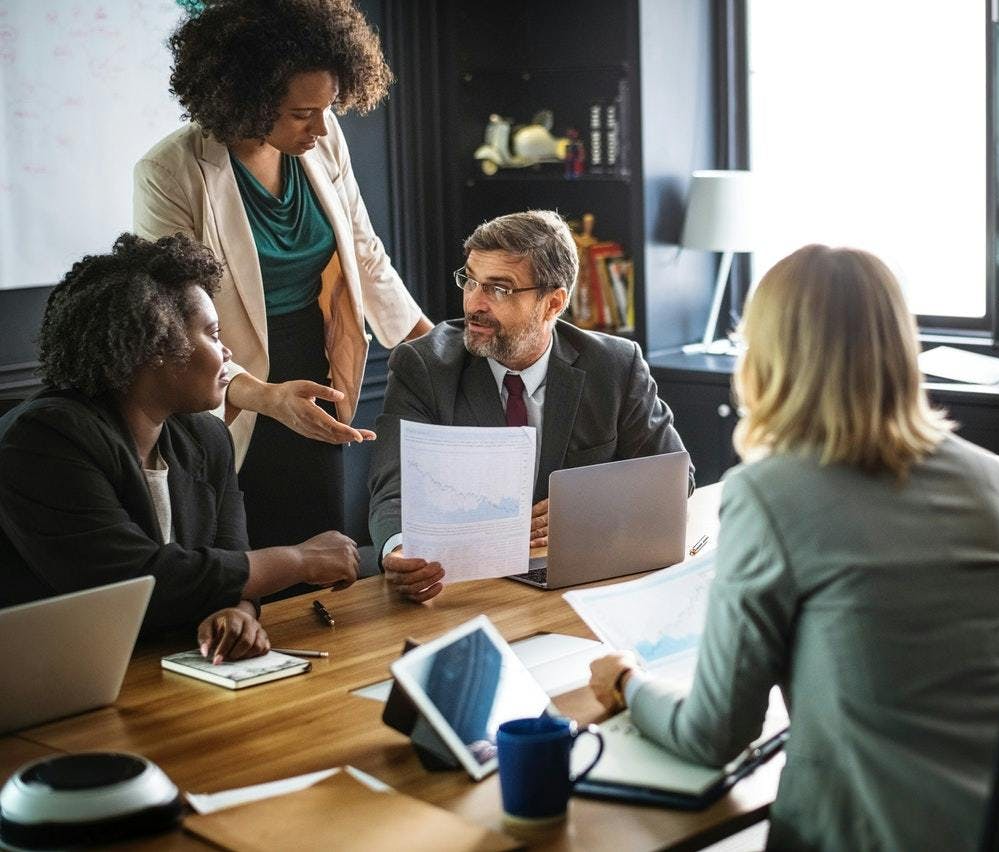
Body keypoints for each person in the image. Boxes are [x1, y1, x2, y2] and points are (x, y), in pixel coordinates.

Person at [587, 244, 999, 852]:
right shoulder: (989, 479)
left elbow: (712, 734)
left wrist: (627, 683)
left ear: (767, 355)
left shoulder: (768, 493)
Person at [133, 0, 432, 551]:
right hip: (224, 379)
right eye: (301, 114)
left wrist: (435, 349)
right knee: (242, 553)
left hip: (313, 366)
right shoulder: (169, 172)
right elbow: (170, 321)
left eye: (329, 107)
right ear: (246, 99)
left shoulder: (323, 135)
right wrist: (262, 396)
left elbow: (364, 253)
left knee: (318, 544)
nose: (321, 126)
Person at [0, 234, 360, 662]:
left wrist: (236, 611)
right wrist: (298, 560)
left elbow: (229, 562)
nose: (227, 351)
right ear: (155, 346)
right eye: (213, 333)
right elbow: (137, 581)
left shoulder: (205, 438)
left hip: (161, 668)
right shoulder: (45, 439)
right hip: (53, 676)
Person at [367, 210, 691, 603]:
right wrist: (399, 550)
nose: (475, 303)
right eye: (470, 280)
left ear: (553, 303)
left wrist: (583, 511)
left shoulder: (614, 366)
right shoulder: (424, 366)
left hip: (579, 584)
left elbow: (674, 478)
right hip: (465, 589)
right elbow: (394, 486)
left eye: (499, 289)